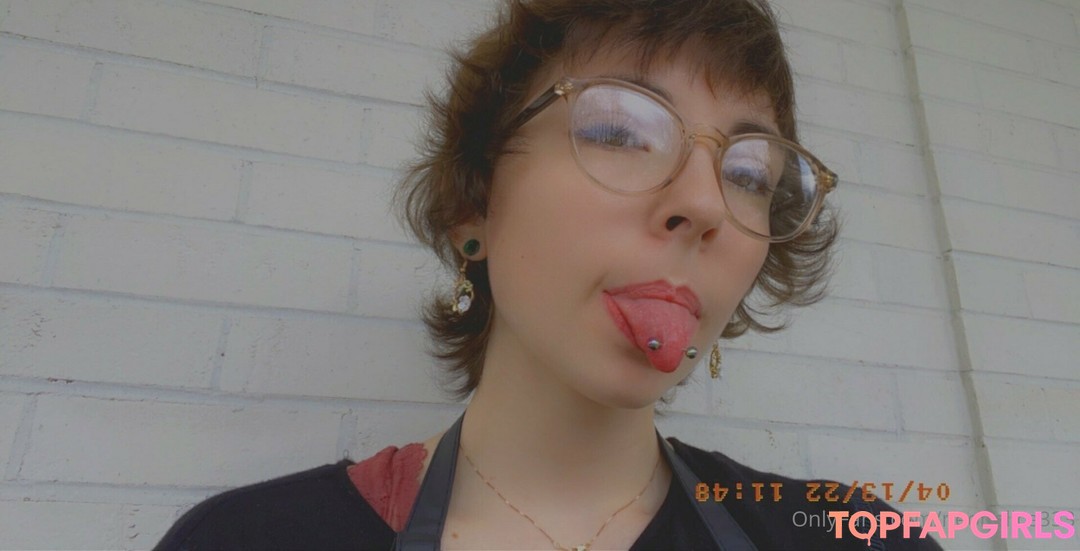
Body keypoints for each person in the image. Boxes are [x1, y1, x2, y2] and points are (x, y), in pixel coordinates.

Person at [155, 0, 942, 549]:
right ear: (475, 206)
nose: (706, 203)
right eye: (620, 131)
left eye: (747, 173)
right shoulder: (247, 540)